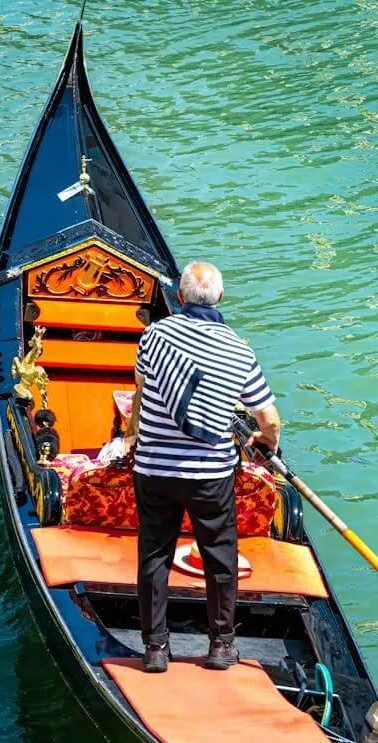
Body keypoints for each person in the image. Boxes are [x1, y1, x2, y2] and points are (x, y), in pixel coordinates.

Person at [127, 261, 281, 673]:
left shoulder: (154, 337)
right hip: (210, 475)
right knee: (219, 555)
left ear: (179, 298)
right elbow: (269, 419)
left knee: (155, 554)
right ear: (221, 299)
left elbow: (141, 388)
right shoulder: (239, 350)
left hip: (155, 469)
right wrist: (266, 442)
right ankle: (221, 646)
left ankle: (156, 649)